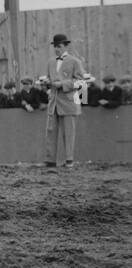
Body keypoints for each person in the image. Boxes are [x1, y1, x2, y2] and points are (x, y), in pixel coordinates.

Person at [44, 33, 88, 168]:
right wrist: (47, 82)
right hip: (54, 102)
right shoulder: (51, 62)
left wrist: (63, 84)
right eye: (55, 46)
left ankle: (69, 160)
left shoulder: (75, 61)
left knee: (68, 133)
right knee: (50, 131)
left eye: (59, 46)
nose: (56, 49)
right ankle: (50, 160)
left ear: (65, 46)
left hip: (69, 102)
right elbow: (49, 79)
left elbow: (81, 82)